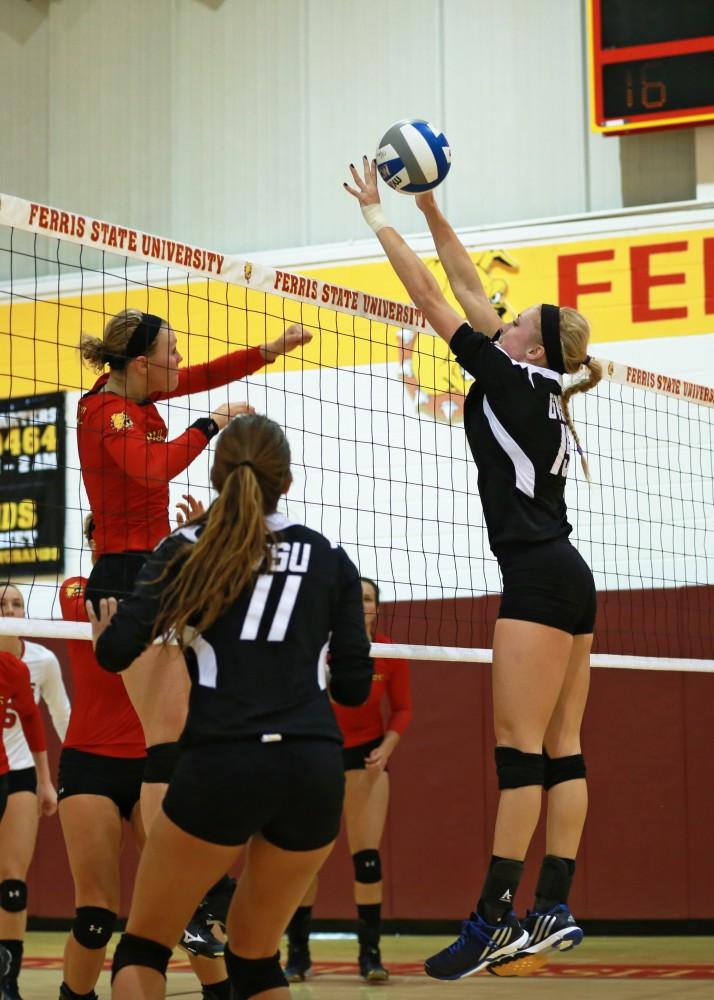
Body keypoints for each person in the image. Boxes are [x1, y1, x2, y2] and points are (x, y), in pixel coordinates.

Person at [345, 162, 601, 979]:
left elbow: (431, 297)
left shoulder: (508, 376)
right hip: (570, 574)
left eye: (512, 314)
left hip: (535, 575)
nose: (499, 313)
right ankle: (552, 905)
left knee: (518, 748)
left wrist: (377, 220)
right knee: (562, 747)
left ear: (526, 340)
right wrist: (428, 203)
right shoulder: (537, 377)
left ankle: (494, 916)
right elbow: (460, 274)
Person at [86, 412, 372, 1000]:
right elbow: (352, 689)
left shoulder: (186, 549)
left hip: (225, 761)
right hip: (314, 768)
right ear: (285, 483)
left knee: (144, 946)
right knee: (255, 957)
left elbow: (115, 651)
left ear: (216, 476)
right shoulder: (330, 557)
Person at [78, 309, 312, 827]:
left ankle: (192, 867)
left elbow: (202, 375)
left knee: (181, 733)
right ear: (140, 364)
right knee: (167, 739)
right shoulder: (107, 412)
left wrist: (269, 351)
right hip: (123, 576)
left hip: (157, 571)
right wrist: (212, 424)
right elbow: (150, 469)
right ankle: (181, 866)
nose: (180, 358)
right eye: (172, 349)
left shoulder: (135, 394)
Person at [57, 514, 231, 1000]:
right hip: (90, 760)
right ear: (93, 540)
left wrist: (195, 542)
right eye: (98, 532)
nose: (108, 536)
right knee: (95, 915)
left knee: (185, 901)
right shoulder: (77, 590)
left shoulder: (169, 595)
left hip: (155, 763)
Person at [285, 575, 411, 983]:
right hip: (320, 753)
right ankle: (298, 954)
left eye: (369, 599)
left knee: (367, 860)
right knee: (304, 859)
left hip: (366, 757)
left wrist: (389, 745)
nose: (361, 605)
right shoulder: (319, 648)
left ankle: (370, 955)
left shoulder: (389, 651)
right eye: (354, 598)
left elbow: (404, 709)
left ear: (378, 607)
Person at [0, 585, 66, 1000]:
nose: (10, 610)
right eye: (2, 604)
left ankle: (8, 981)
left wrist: (50, 780)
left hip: (21, 774)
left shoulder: (42, 660)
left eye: (16, 604)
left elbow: (62, 716)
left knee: (12, 884)